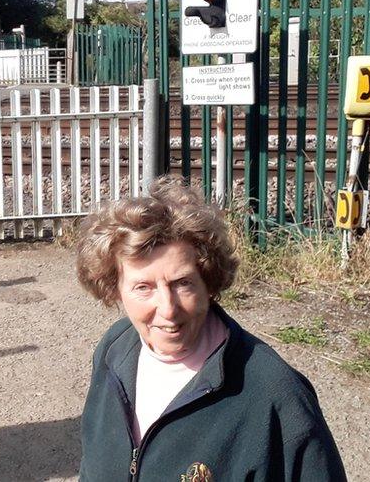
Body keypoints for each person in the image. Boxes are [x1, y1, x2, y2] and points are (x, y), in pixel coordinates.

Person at [73, 178, 346, 482]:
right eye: (143, 287)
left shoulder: (276, 395)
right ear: (114, 288)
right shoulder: (114, 351)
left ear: (209, 282)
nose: (168, 309)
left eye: (183, 283)